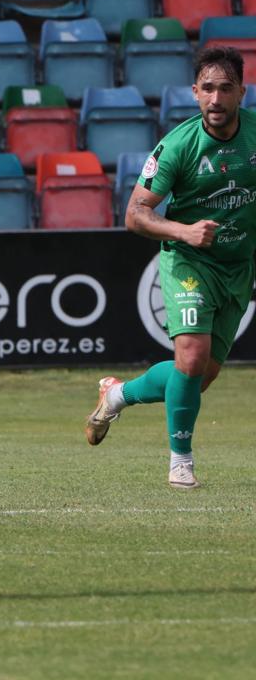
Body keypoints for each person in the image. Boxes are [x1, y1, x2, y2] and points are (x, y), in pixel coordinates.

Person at [86, 46, 256, 490]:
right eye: (208, 89)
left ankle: (117, 395)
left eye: (225, 89)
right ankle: (181, 462)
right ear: (195, 93)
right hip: (188, 260)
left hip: (237, 269)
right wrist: (183, 232)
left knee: (196, 380)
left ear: (242, 91)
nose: (216, 99)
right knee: (192, 356)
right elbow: (135, 214)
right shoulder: (178, 145)